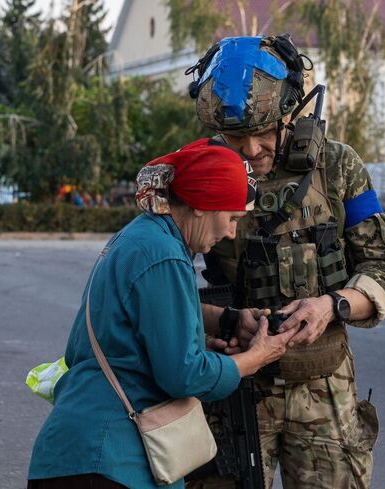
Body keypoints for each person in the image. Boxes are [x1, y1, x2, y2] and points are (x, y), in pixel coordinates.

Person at [187, 34, 385, 489]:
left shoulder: (337, 166)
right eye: (235, 137)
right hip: (235, 392)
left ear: (292, 113)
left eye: (264, 131)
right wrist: (218, 322)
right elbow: (160, 283)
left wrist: (332, 306)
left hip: (325, 394)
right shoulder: (202, 173)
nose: (250, 150)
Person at [27, 138, 298, 489]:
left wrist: (226, 321)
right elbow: (185, 375)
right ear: (202, 205)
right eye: (231, 218)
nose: (231, 232)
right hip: (108, 459)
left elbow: (145, 317)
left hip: (77, 453)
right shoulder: (165, 254)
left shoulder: (141, 236)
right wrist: (255, 358)